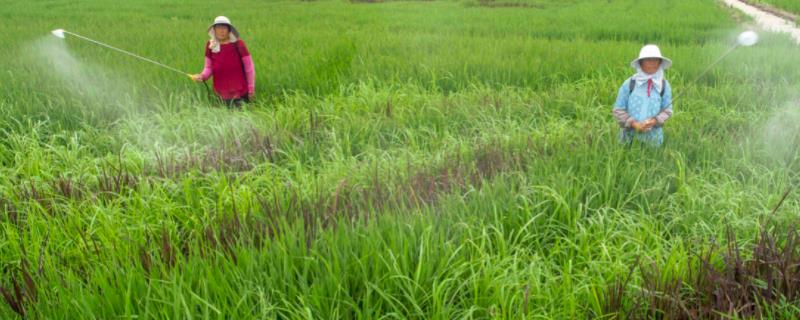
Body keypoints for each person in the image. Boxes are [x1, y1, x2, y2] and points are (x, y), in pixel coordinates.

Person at [612, 44, 674, 146]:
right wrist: (634, 124)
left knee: (650, 161)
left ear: (660, 63)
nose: (652, 63)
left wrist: (654, 121)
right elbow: (618, 110)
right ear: (640, 63)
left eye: (655, 60)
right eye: (648, 60)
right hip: (628, 139)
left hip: (653, 141)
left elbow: (667, 110)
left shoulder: (664, 86)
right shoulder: (629, 83)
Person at [191, 16, 255, 108]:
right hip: (220, 93)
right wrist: (202, 76)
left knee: (240, 119)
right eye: (218, 28)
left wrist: (251, 89)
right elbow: (208, 68)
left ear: (229, 30)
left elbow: (249, 68)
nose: (221, 31)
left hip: (239, 92)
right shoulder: (210, 45)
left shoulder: (239, 44)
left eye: (224, 28)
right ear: (214, 30)